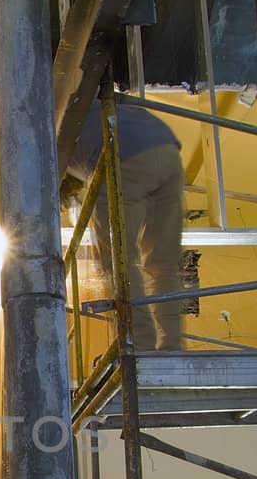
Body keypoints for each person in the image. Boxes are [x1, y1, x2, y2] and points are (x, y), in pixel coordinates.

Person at [63, 95, 186, 351]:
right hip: (169, 153)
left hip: (124, 158)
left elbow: (52, 191)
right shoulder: (90, 109)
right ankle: (173, 344)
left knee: (118, 260)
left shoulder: (49, 134)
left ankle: (138, 343)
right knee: (163, 262)